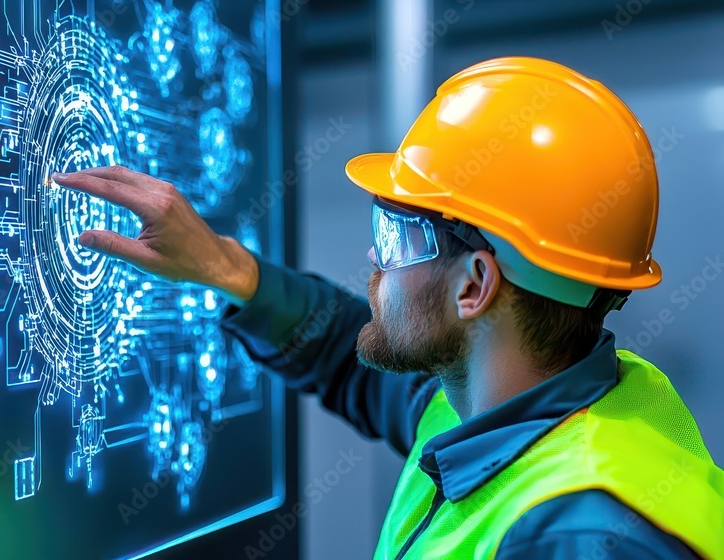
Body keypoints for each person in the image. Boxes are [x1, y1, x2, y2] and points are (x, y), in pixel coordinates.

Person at [52, 57, 724, 558]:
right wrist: (224, 267)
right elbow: (350, 356)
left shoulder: (580, 536)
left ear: (474, 285)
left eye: (393, 238)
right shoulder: (518, 402)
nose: (373, 263)